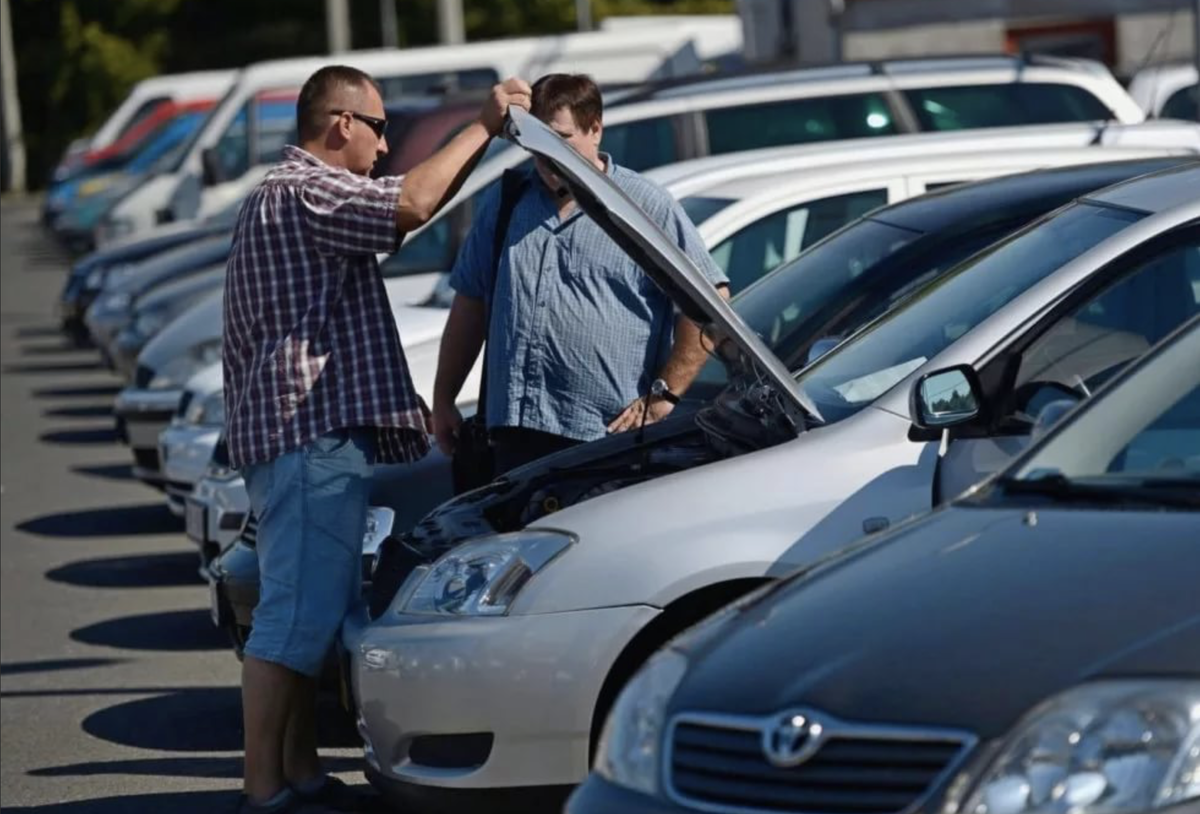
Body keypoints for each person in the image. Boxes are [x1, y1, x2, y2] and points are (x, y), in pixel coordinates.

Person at [222, 65, 531, 814]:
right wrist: (485, 127)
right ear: (340, 125)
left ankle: (297, 773)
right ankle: (263, 788)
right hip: (307, 438)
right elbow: (414, 203)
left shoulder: (287, 194)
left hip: (306, 438)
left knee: (310, 615)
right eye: (380, 126)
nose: (387, 143)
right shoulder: (307, 189)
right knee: (293, 617)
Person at [432, 73, 729, 475]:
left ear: (596, 131)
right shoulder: (506, 200)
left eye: (561, 138)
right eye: (534, 139)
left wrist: (663, 396)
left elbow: (710, 305)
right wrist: (444, 395)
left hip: (605, 441)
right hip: (515, 437)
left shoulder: (644, 207)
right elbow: (471, 300)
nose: (546, 154)